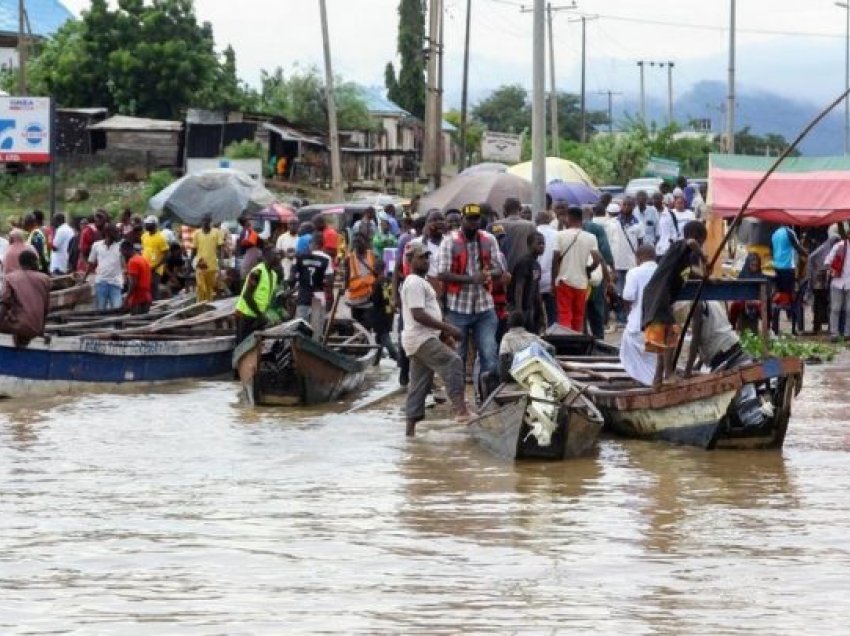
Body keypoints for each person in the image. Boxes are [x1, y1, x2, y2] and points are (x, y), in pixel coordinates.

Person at [401, 242, 471, 437]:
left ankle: (410, 435)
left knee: (418, 387)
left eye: (426, 257)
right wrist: (448, 329)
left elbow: (429, 313)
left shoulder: (419, 281)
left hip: (418, 339)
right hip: (421, 338)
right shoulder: (414, 281)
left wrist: (443, 335)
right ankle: (460, 411)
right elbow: (419, 315)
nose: (425, 260)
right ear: (410, 260)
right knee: (453, 361)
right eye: (421, 257)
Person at [437, 203, 504, 388]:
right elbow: (442, 273)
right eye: (470, 219)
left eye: (476, 219)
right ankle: (458, 401)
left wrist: (488, 275)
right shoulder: (449, 241)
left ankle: (486, 396)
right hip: (458, 308)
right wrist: (471, 279)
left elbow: (500, 268)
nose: (474, 223)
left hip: (484, 307)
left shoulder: (489, 239)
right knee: (458, 356)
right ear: (462, 220)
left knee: (489, 354)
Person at [641, 221, 708, 386]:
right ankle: (669, 374)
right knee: (670, 335)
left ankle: (658, 379)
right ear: (698, 237)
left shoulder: (682, 257)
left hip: (658, 297)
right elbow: (691, 242)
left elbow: (692, 272)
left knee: (663, 341)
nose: (701, 244)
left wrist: (709, 279)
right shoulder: (680, 245)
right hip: (659, 297)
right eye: (702, 241)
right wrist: (703, 256)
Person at [551, 204, 601, 332]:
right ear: (581, 219)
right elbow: (597, 260)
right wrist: (588, 269)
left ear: (568, 218)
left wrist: (553, 281)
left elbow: (555, 259)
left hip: (564, 280)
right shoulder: (590, 237)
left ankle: (566, 340)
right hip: (582, 282)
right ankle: (577, 341)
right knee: (579, 314)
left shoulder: (560, 235)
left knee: (564, 313)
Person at [619, 245, 658, 386]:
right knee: (654, 358)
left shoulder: (635, 272)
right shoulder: (662, 271)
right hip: (658, 325)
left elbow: (628, 296)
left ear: (639, 257)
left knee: (627, 349)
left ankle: (642, 381)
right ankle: (654, 381)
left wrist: (628, 312)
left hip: (637, 326)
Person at [0, 250, 50, 347]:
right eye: (37, 262)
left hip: (18, 327)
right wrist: (41, 331)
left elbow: (4, 304)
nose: (38, 265)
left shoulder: (10, 278)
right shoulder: (45, 279)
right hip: (36, 328)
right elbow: (45, 309)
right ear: (33, 262)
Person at [609, 196, 645, 325]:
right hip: (616, 263)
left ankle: (630, 317)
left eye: (629, 205)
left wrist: (640, 261)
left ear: (633, 206)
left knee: (630, 292)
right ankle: (620, 317)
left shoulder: (638, 224)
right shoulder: (613, 223)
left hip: (632, 264)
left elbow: (641, 244)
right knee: (618, 292)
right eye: (624, 205)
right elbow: (609, 243)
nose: (626, 207)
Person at [235, 247, 281, 344]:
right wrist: (260, 315)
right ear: (267, 256)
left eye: (279, 255)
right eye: (276, 255)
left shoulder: (274, 275)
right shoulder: (257, 272)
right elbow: (247, 296)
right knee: (243, 346)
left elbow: (268, 298)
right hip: (246, 315)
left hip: (258, 317)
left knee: (255, 347)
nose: (279, 257)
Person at [584, 205, 615, 339]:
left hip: (578, 275)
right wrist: (611, 270)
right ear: (592, 215)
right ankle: (598, 338)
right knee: (596, 308)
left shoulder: (568, 229)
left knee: (580, 311)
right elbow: (605, 252)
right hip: (596, 274)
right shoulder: (597, 228)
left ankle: (582, 337)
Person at [498, 310, 556, 381]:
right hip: (534, 370)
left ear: (508, 323)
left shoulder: (506, 338)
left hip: (518, 374)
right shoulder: (532, 337)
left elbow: (504, 359)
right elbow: (551, 349)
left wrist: (505, 378)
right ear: (523, 323)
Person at [290, 233, 333, 328]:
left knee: (301, 329)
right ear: (322, 245)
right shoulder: (327, 259)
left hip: (303, 297)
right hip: (319, 297)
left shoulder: (299, 257)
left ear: (311, 244)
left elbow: (291, 278)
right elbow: (329, 282)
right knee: (317, 330)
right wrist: (330, 300)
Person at [508, 231, 546, 333]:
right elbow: (519, 287)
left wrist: (541, 311)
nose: (542, 246)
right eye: (538, 243)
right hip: (520, 307)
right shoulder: (524, 262)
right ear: (529, 245)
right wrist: (518, 310)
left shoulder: (536, 264)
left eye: (543, 243)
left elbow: (536, 287)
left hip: (530, 307)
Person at [807, 235, 839, 334]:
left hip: (818, 281)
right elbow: (812, 258)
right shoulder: (828, 249)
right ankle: (823, 327)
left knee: (819, 304)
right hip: (820, 281)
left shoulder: (824, 247)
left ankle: (818, 327)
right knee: (825, 304)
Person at [87, 224, 124, 311]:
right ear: (108, 233)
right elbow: (91, 263)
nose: (118, 234)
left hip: (115, 283)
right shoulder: (96, 245)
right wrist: (84, 278)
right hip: (101, 282)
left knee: (117, 310)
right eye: (115, 232)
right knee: (100, 310)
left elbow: (124, 264)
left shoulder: (120, 246)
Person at [496, 196, 537, 271]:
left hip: (502, 271)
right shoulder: (530, 226)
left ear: (504, 208)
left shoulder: (497, 225)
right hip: (524, 270)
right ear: (520, 208)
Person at [369, 259, 399, 362]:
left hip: (379, 314)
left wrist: (369, 296)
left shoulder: (376, 283)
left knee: (384, 337)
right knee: (379, 337)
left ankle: (397, 357)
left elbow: (375, 300)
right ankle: (376, 360)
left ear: (376, 269)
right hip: (389, 313)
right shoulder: (389, 280)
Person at [345, 233, 377, 327]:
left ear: (366, 243)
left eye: (360, 241)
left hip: (369, 298)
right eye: (355, 242)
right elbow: (346, 277)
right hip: (355, 299)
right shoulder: (349, 258)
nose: (357, 244)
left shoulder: (372, 255)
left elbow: (377, 272)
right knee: (357, 326)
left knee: (367, 326)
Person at [191, 213, 224, 303]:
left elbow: (220, 249)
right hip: (200, 265)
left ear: (210, 222)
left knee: (210, 288)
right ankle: (200, 304)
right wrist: (190, 263)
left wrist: (221, 262)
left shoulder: (216, 232)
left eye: (207, 221)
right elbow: (194, 250)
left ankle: (208, 305)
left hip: (212, 265)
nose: (206, 223)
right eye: (204, 220)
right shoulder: (197, 233)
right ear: (201, 222)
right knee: (201, 287)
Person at [825, 233, 850, 341]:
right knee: (835, 308)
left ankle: (847, 334)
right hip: (837, 282)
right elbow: (826, 262)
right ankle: (834, 334)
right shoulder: (839, 246)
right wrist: (832, 271)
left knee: (849, 309)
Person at [535, 211, 558, 327]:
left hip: (536, 280)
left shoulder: (533, 233)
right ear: (549, 220)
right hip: (552, 279)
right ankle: (553, 337)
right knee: (552, 314)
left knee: (536, 313)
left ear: (536, 220)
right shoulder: (557, 234)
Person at [771, 225, 806, 301]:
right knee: (789, 295)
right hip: (787, 268)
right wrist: (808, 254)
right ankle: (790, 310)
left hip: (776, 267)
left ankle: (777, 310)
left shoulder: (775, 234)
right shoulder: (789, 232)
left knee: (779, 293)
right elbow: (798, 247)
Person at [120, 240, 153, 314]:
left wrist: (126, 299)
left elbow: (133, 284)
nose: (122, 254)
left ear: (126, 250)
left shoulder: (132, 262)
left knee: (135, 322)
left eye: (122, 251)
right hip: (147, 296)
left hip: (138, 298)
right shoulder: (143, 259)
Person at [141, 215, 169, 300]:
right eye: (146, 224)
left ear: (154, 225)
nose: (146, 226)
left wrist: (156, 266)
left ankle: (156, 304)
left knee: (154, 287)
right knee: (145, 287)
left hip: (156, 269)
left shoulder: (160, 238)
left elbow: (166, 254)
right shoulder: (144, 236)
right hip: (145, 267)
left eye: (148, 224)